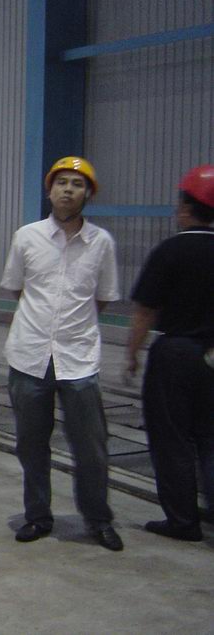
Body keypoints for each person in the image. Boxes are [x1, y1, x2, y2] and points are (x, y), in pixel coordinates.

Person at [1, 156, 123, 552]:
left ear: (88, 194)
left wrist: (72, 327)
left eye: (77, 184)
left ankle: (98, 519)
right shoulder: (27, 237)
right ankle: (38, 516)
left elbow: (102, 298)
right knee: (31, 444)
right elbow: (18, 289)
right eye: (61, 183)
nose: (68, 190)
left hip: (78, 359)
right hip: (29, 356)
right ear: (49, 190)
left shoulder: (101, 243)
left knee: (91, 448)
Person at [125, 164, 214, 542]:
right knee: (210, 438)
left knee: (172, 438)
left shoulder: (170, 251)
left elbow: (145, 311)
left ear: (186, 207)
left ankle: (182, 520)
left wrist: (132, 354)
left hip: (175, 354)